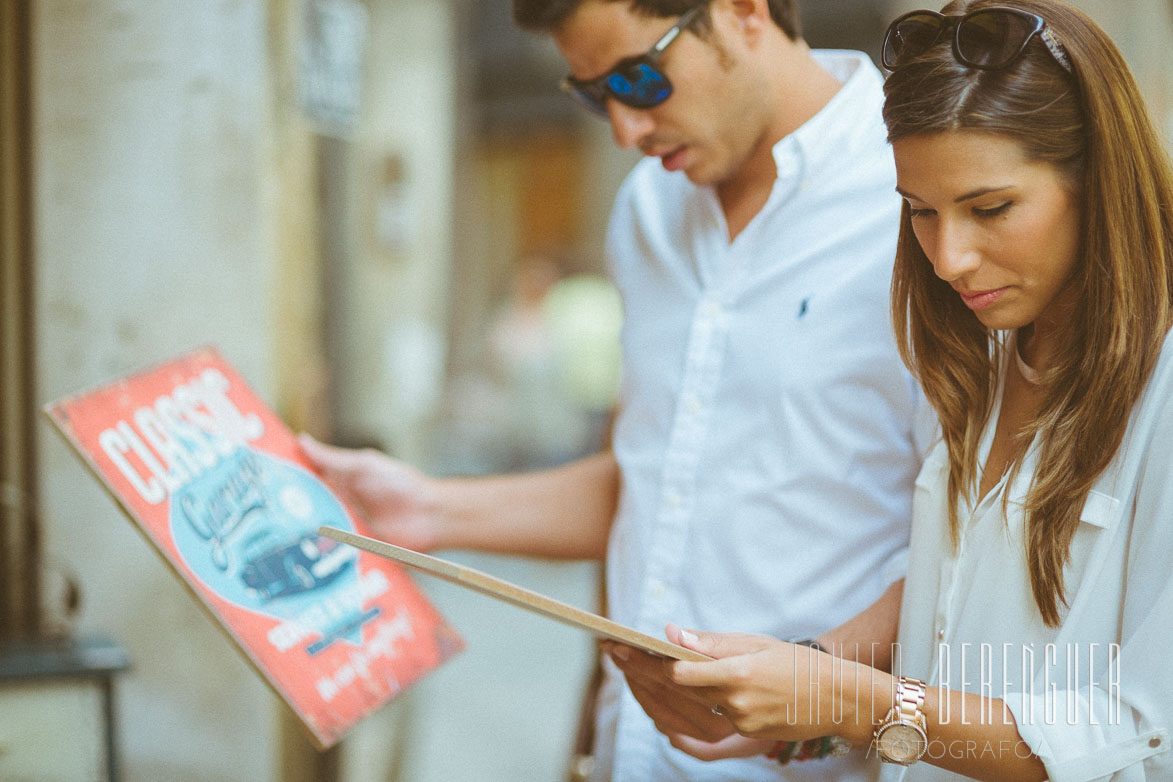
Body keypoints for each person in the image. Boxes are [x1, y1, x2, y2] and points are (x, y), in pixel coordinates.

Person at [300, 0, 924, 779]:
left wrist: (814, 679)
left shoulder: (919, 195)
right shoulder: (647, 208)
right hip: (632, 751)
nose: (625, 131)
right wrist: (430, 508)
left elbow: (973, 536)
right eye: (594, 95)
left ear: (742, 11)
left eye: (639, 78)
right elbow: (654, 478)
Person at [606, 0, 1173, 779]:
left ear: (1098, 178)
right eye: (919, 214)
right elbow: (950, 687)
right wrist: (796, 717)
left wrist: (843, 699)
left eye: (990, 209)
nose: (950, 259)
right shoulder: (982, 359)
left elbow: (1140, 728)